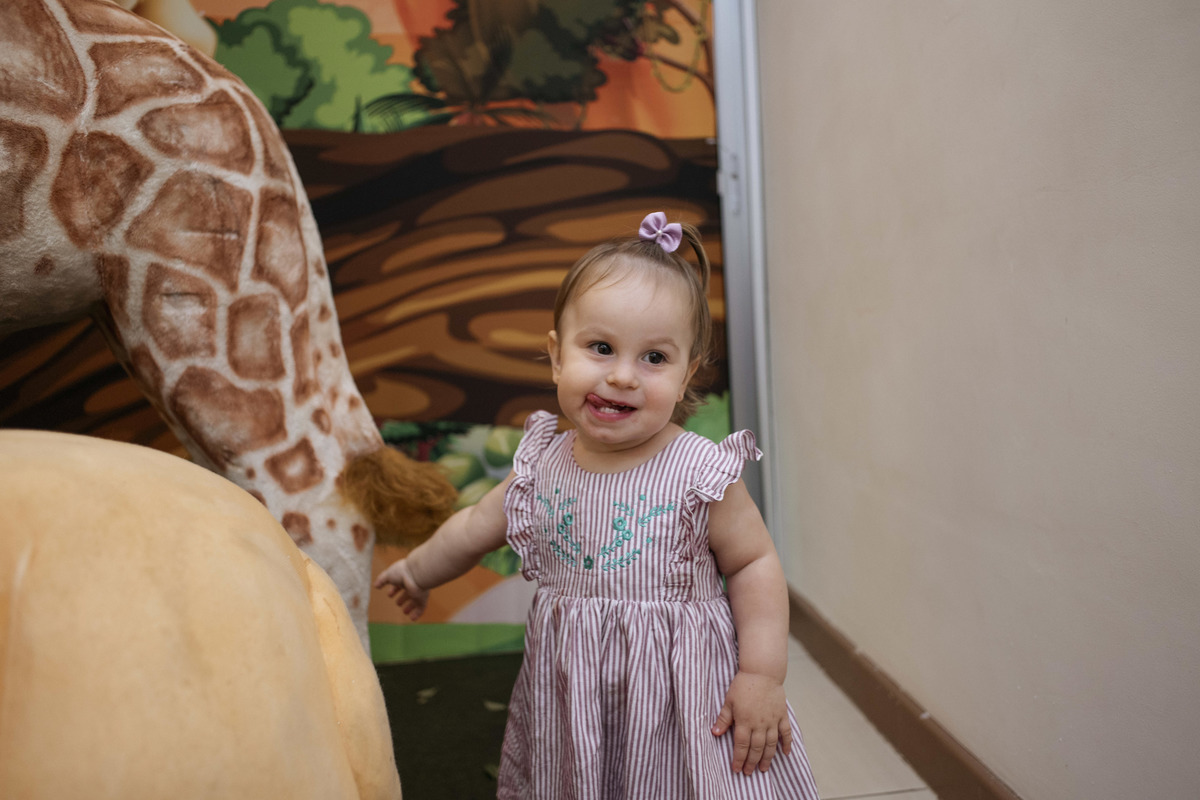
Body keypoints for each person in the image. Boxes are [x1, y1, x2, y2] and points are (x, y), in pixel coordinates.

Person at [375, 212, 820, 798]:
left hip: (682, 695)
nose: (623, 377)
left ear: (686, 375)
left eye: (654, 358)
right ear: (558, 355)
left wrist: (762, 675)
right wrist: (417, 570)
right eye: (602, 348)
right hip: (574, 695)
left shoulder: (699, 473)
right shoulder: (543, 466)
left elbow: (753, 564)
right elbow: (475, 527)